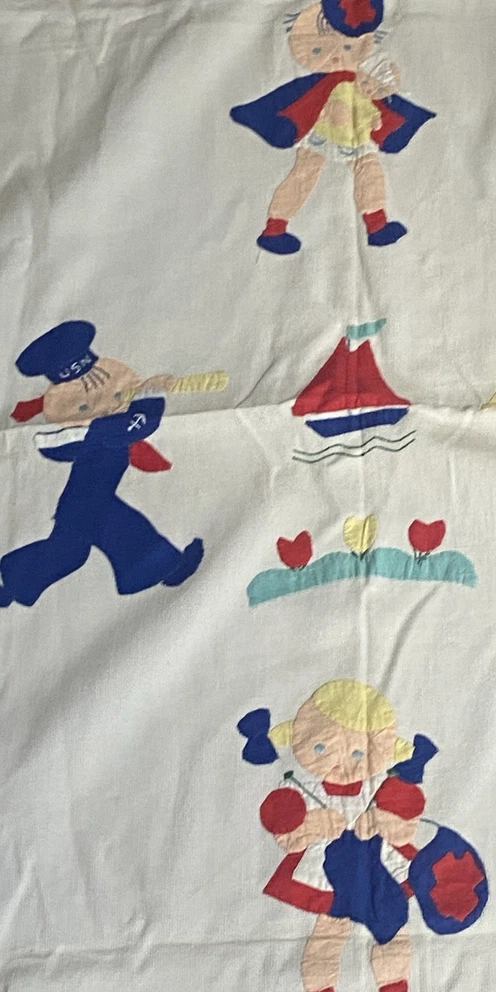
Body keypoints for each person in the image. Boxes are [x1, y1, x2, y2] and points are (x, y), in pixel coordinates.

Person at [238, 679, 487, 992]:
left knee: (393, 933)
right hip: (327, 869)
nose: (341, 763)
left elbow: (406, 821)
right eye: (321, 748)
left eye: (358, 753)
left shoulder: (383, 784)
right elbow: (285, 828)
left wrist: (382, 819)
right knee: (329, 935)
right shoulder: (299, 788)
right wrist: (312, 823)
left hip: (379, 863)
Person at [0, 321, 203, 607]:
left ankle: (12, 587)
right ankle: (164, 568)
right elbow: (137, 424)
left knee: (69, 551)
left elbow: (130, 423)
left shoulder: (95, 432)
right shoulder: (98, 433)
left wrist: (145, 395)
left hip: (80, 499)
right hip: (86, 497)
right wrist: (149, 398)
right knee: (103, 528)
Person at [230, 0, 435, 255]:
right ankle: (275, 228)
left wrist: (380, 120)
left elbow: (383, 99)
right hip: (320, 136)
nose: (337, 56)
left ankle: (377, 225)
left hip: (356, 140)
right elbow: (291, 100)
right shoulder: (320, 83)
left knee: (370, 172)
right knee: (304, 173)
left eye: (348, 46)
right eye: (318, 50)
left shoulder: (364, 78)